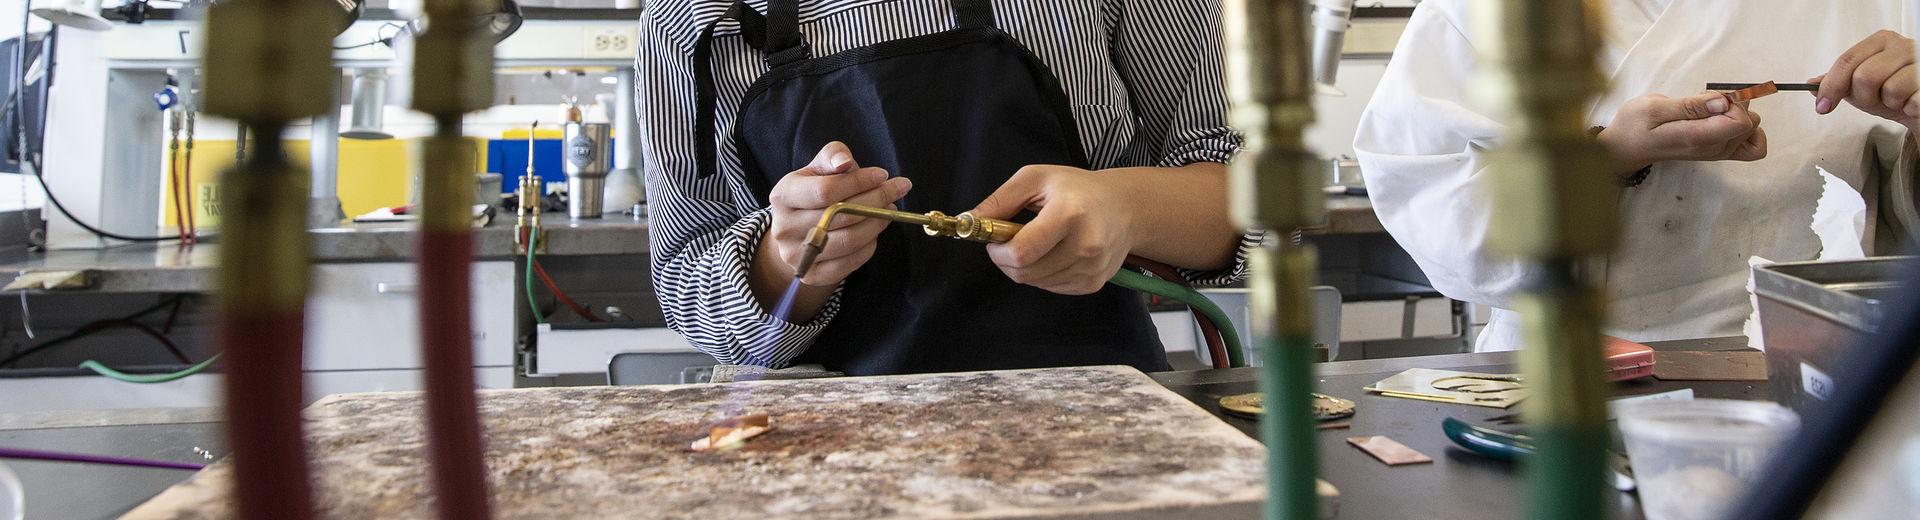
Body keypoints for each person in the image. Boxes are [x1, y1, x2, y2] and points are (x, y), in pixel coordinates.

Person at [636, 0, 1255, 375]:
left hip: (1097, 425)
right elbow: (683, 285)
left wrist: (1129, 208)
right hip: (827, 448)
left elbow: (1253, 202)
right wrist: (781, 262)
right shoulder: (685, 15)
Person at [1356, 0, 1919, 351]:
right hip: (1575, 370)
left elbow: (1903, 226)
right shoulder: (1477, 13)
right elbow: (1433, 217)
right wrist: (1607, 157)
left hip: (1815, 369)